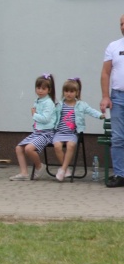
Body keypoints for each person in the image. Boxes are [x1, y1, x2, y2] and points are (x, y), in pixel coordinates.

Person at [53, 78, 104, 182]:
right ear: (63, 92)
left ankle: (62, 169)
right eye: (66, 91)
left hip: (72, 133)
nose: (69, 94)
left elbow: (91, 111)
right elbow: (51, 115)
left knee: (70, 145)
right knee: (57, 146)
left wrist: (100, 115)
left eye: (72, 91)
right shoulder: (59, 105)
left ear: (77, 92)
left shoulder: (81, 105)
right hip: (59, 132)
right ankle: (66, 169)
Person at [10, 74, 57, 181]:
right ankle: (24, 173)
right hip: (37, 132)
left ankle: (40, 166)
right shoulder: (38, 100)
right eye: (38, 88)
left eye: (43, 89)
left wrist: (34, 115)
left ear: (49, 90)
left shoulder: (48, 103)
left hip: (47, 133)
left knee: (28, 149)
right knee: (19, 148)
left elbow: (46, 119)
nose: (40, 91)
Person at [100, 14, 124, 188]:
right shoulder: (113, 46)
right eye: (121, 24)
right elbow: (105, 73)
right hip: (118, 97)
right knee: (117, 138)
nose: (123, 26)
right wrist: (105, 96)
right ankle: (120, 174)